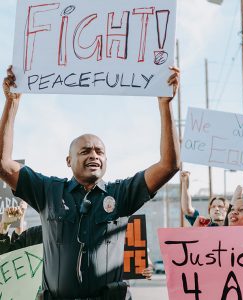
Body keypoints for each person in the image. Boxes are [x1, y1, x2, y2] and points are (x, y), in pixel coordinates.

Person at [0, 65, 180, 300]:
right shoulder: (48, 191)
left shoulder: (121, 194)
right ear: (69, 160)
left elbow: (169, 165)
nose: (94, 155)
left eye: (99, 151)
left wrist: (165, 105)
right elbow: (3, 163)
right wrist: (12, 103)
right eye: (85, 151)